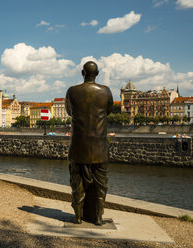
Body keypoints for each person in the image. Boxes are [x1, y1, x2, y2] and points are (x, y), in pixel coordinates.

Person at [65, 61, 113, 225]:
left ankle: (78, 217)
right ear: (97, 73)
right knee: (101, 185)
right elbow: (108, 111)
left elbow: (69, 111)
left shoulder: (72, 91)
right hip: (99, 147)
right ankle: (98, 218)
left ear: (82, 72)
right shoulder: (105, 91)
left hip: (78, 146)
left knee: (77, 184)